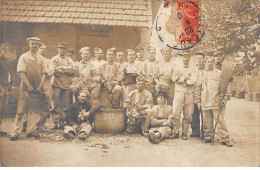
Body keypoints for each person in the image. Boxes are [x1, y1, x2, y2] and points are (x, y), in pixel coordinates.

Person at [10, 37, 48, 140]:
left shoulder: (41, 58)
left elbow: (44, 72)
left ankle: (30, 131)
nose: (34, 46)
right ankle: (15, 132)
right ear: (29, 44)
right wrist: (28, 85)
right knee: (21, 109)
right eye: (32, 44)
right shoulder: (24, 57)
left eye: (36, 44)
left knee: (34, 110)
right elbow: (21, 72)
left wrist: (40, 85)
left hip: (37, 87)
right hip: (26, 87)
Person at [194, 56, 233, 147]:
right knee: (207, 121)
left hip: (217, 101)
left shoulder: (219, 73)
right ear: (205, 62)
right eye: (208, 62)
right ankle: (208, 137)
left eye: (211, 62)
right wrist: (198, 101)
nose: (210, 63)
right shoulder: (201, 74)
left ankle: (224, 138)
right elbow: (197, 89)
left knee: (220, 120)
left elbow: (226, 86)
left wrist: (226, 97)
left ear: (214, 63)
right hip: (205, 101)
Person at [169, 51, 197, 140]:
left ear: (190, 58)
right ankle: (176, 131)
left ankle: (184, 132)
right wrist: (185, 78)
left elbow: (193, 81)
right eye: (184, 57)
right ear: (182, 58)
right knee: (176, 112)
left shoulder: (193, 69)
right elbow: (174, 78)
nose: (186, 59)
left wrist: (181, 79)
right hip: (179, 92)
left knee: (188, 113)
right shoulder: (177, 68)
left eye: (188, 57)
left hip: (189, 93)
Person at [51, 42, 75, 130]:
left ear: (66, 50)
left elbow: (73, 70)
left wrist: (62, 68)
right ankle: (55, 122)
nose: (62, 50)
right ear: (58, 49)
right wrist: (66, 70)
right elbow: (54, 70)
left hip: (66, 86)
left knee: (65, 105)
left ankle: (62, 121)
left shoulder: (69, 60)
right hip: (56, 85)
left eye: (64, 48)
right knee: (55, 104)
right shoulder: (54, 59)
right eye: (60, 48)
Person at [36, 42, 54, 132]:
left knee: (46, 107)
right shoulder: (34, 59)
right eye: (41, 48)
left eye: (44, 48)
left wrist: (41, 74)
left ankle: (40, 126)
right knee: (34, 106)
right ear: (38, 49)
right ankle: (30, 126)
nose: (43, 50)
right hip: (35, 86)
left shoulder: (49, 61)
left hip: (46, 86)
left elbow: (51, 71)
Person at [190, 52, 205, 138]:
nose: (199, 61)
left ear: (204, 60)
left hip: (203, 94)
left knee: (204, 113)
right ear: (195, 60)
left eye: (201, 59)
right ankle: (195, 131)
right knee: (194, 113)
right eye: (197, 59)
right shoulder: (192, 70)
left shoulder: (206, 70)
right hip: (193, 93)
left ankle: (204, 131)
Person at [0, 44, 12, 136]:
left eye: (8, 50)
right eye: (6, 50)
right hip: (1, 87)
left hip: (5, 87)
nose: (8, 52)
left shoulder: (3, 61)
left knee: (2, 108)